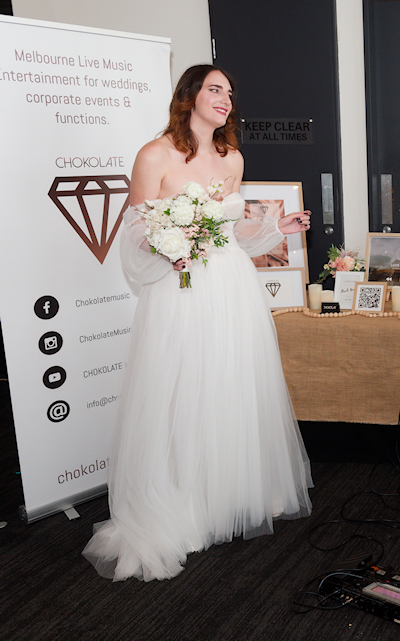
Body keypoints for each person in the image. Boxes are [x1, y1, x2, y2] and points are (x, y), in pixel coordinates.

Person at [83, 65, 313, 581]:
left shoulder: (233, 158)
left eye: (229, 92)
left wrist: (276, 227)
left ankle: (231, 494)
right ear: (189, 96)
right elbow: (135, 233)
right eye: (214, 89)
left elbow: (230, 234)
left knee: (230, 385)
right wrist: (170, 248)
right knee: (182, 389)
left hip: (231, 288)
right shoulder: (155, 155)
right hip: (181, 290)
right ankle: (185, 504)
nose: (225, 98)